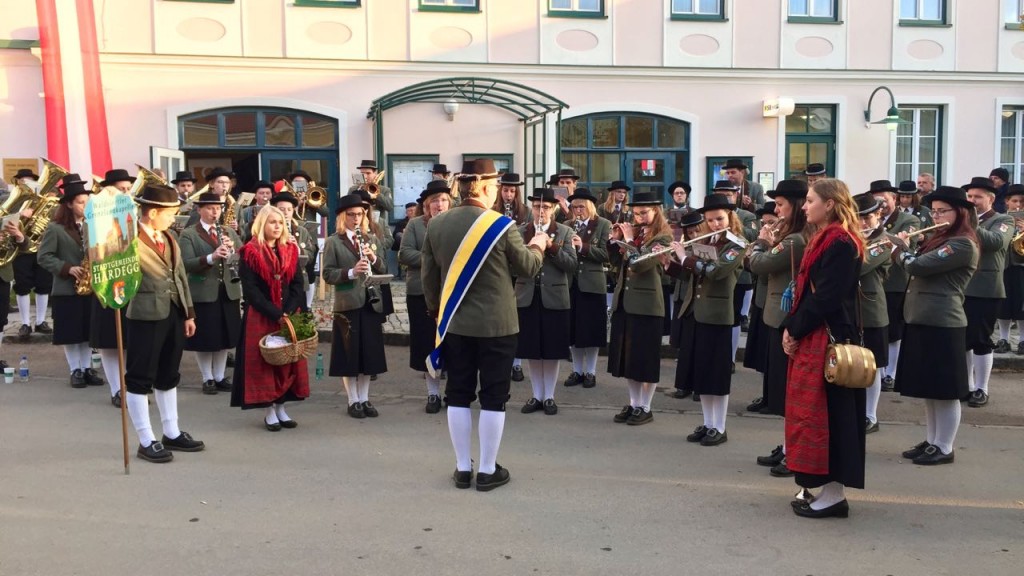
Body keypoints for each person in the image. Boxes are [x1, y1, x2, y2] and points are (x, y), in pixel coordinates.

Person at [421, 158, 547, 492]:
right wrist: (539, 244)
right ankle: (488, 470)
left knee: (458, 394)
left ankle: (463, 469)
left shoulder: (436, 225)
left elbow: (429, 279)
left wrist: (438, 313)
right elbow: (529, 267)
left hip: (456, 324)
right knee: (494, 396)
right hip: (498, 325)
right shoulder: (501, 225)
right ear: (488, 188)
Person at [781, 178, 864, 519]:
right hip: (817, 334)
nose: (804, 206)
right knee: (816, 414)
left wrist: (794, 328)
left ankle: (834, 495)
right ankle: (821, 486)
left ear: (829, 204)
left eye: (810, 200)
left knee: (834, 418)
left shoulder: (841, 242)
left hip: (831, 338)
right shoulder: (826, 239)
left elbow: (826, 297)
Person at [891, 185, 979, 465]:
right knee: (929, 388)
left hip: (943, 321)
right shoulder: (940, 238)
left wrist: (900, 250)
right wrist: (910, 247)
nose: (936, 216)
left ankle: (945, 446)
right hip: (923, 318)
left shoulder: (962, 243)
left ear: (960, 212)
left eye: (943, 212)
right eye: (935, 211)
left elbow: (917, 267)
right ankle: (932, 440)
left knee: (945, 389)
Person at [124, 184, 205, 463]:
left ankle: (171, 431)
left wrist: (189, 313)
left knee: (169, 373)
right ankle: (145, 439)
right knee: (139, 376)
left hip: (172, 312)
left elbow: (180, 275)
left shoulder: (170, 237)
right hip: (144, 315)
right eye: (171, 213)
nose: (175, 218)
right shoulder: (127, 238)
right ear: (153, 212)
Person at [667, 194, 744, 444]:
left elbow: (717, 272)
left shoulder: (737, 244)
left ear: (730, 217)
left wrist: (685, 258)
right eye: (710, 220)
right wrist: (668, 263)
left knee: (716, 374)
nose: (714, 224)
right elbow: (692, 275)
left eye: (719, 219)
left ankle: (719, 427)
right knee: (701, 372)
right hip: (695, 312)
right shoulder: (707, 240)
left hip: (717, 316)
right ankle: (707, 422)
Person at [747, 180, 809, 475]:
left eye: (781, 205)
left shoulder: (796, 238)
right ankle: (787, 446)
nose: (777, 210)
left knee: (791, 393)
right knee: (784, 392)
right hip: (776, 315)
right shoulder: (791, 235)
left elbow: (758, 264)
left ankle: (794, 451)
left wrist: (761, 242)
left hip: (784, 317)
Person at [230, 205, 309, 431]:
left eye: (280, 222)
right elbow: (251, 291)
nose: (277, 226)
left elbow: (297, 285)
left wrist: (289, 310)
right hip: (262, 315)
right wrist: (275, 313)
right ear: (262, 224)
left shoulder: (290, 250)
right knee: (266, 364)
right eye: (272, 222)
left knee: (286, 362)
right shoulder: (250, 252)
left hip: (287, 312)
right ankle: (270, 411)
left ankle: (282, 407)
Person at [606, 190, 672, 426]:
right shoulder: (636, 234)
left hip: (647, 304)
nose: (639, 217)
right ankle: (634, 403)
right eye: (635, 213)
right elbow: (616, 264)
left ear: (656, 211)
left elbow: (642, 264)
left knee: (645, 358)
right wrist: (615, 242)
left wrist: (630, 241)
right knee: (628, 358)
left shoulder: (663, 238)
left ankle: (646, 405)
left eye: (644, 213)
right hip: (625, 301)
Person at [322, 193, 388, 419]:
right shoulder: (333, 241)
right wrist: (351, 272)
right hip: (347, 302)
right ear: (342, 217)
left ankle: (365, 398)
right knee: (350, 354)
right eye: (351, 215)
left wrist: (373, 259)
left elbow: (383, 267)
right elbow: (328, 273)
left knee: (368, 354)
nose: (356, 219)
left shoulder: (372, 239)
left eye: (360, 214)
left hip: (371, 301)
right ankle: (353, 400)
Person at [37, 175, 102, 389]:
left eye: (87, 202)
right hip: (67, 288)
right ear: (69, 204)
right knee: (70, 333)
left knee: (86, 332)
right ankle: (75, 369)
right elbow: (44, 257)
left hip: (90, 287)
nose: (85, 206)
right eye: (81, 203)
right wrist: (67, 268)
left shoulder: (92, 226)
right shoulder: (55, 228)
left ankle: (86, 368)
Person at [515, 188, 577, 415]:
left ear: (554, 210)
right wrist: (530, 246)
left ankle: (549, 396)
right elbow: (513, 265)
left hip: (554, 297)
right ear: (532, 208)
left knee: (551, 350)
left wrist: (551, 247)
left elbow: (571, 264)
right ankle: (536, 395)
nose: (542, 211)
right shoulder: (521, 231)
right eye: (538, 206)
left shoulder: (564, 232)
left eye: (547, 207)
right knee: (532, 349)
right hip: (527, 295)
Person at [179, 192, 243, 395]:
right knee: (206, 338)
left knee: (224, 336)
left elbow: (244, 255)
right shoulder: (189, 234)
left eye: (218, 208)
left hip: (227, 290)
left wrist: (233, 252)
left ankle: (220, 376)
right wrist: (211, 257)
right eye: (209, 208)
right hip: (203, 291)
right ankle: (207, 378)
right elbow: (186, 264)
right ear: (199, 210)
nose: (215, 212)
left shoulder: (227, 232)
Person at [961, 177, 1015, 407]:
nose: (972, 201)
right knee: (962, 339)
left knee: (981, 339)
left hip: (986, 288)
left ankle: (982, 388)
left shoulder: (1003, 219)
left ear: (991, 199)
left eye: (977, 197)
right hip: (960, 286)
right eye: (970, 197)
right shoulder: (961, 221)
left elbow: (995, 242)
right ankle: (966, 385)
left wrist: (969, 223)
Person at [399, 180, 452, 413]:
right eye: (434, 202)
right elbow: (405, 253)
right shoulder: (415, 226)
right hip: (421, 292)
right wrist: (431, 260)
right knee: (428, 343)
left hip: (451, 292)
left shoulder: (456, 223)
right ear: (426, 205)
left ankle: (453, 392)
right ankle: (433, 394)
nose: (439, 205)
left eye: (443, 200)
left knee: (453, 344)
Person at [90, 175, 135, 407]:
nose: (126, 193)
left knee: (128, 340)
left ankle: (129, 387)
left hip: (131, 284)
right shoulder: (97, 218)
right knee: (110, 341)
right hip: (106, 283)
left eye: (128, 189)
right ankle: (117, 389)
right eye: (121, 189)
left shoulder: (132, 215)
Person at [872, 179, 920, 391]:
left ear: (894, 199)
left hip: (895, 281)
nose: (881, 205)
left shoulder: (908, 219)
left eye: (884, 200)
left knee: (893, 328)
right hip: (874, 281)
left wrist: (880, 235)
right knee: (878, 327)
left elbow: (905, 244)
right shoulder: (870, 220)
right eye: (876, 201)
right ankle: (879, 370)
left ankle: (890, 373)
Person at [563, 189, 611, 389]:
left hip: (592, 285)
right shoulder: (567, 225)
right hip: (571, 284)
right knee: (573, 331)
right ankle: (577, 370)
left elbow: (606, 254)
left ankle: (590, 372)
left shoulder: (602, 224)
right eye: (574, 207)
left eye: (581, 206)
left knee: (591, 331)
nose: (578, 210)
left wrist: (583, 247)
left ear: (590, 206)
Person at [853, 194, 891, 435]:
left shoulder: (885, 242)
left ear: (878, 215)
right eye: (858, 219)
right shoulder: (853, 237)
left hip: (870, 309)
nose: (863, 224)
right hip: (849, 309)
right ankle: (856, 411)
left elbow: (860, 266)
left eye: (867, 218)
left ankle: (870, 414)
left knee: (872, 365)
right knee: (851, 363)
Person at [711, 181, 758, 366]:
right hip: (716, 272)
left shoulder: (747, 215)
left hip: (740, 276)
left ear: (736, 195)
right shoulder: (712, 218)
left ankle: (729, 358)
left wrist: (730, 226)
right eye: (721, 193)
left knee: (734, 317)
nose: (726, 197)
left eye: (729, 194)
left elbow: (752, 236)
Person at [12, 166, 60, 341]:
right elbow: (6, 220)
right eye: (23, 181)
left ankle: (40, 321)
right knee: (22, 284)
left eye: (29, 181)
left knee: (44, 284)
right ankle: (25, 323)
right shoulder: (13, 200)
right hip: (21, 248)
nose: (26, 183)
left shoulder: (42, 199)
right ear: (17, 183)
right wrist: (20, 214)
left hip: (41, 246)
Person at [742, 200, 777, 376]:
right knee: (763, 355)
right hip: (761, 300)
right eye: (763, 223)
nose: (766, 227)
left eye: (771, 223)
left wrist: (762, 247)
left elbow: (765, 267)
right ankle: (765, 396)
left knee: (773, 357)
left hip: (773, 304)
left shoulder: (784, 242)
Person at [272, 191, 314, 311]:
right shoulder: (269, 230)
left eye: (289, 210)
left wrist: (298, 249)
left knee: (299, 319)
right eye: (281, 209)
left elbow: (311, 255)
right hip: (276, 282)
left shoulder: (301, 231)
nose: (285, 213)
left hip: (298, 281)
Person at [995, 185, 1024, 355]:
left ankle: (1022, 340)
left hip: (1022, 267)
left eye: (1021, 201)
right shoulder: (1002, 220)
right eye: (1014, 201)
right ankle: (1003, 339)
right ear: (1007, 202)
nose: (1018, 205)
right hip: (1004, 266)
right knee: (1004, 305)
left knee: (1021, 306)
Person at [347, 159, 394, 232]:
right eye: (362, 173)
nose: (365, 176)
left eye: (368, 173)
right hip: (357, 226)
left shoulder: (384, 190)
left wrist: (376, 195)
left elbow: (390, 207)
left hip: (376, 226)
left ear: (375, 174)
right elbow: (347, 208)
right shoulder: (353, 189)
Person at [392, 202, 417, 280]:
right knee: (399, 235)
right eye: (410, 211)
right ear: (406, 213)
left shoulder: (422, 221)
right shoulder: (401, 223)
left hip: (418, 245)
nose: (412, 212)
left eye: (414, 210)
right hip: (404, 245)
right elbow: (395, 234)